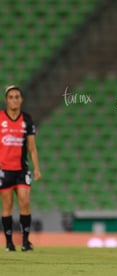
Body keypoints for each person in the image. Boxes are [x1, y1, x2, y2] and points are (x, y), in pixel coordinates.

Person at [0, 85, 41, 251]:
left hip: (22, 169)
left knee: (25, 202)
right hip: (4, 169)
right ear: (6, 100)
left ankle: (25, 241)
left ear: (21, 99)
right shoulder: (0, 118)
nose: (14, 99)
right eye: (11, 97)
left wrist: (36, 168)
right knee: (7, 205)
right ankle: (9, 242)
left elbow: (32, 147)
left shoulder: (27, 119)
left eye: (17, 96)